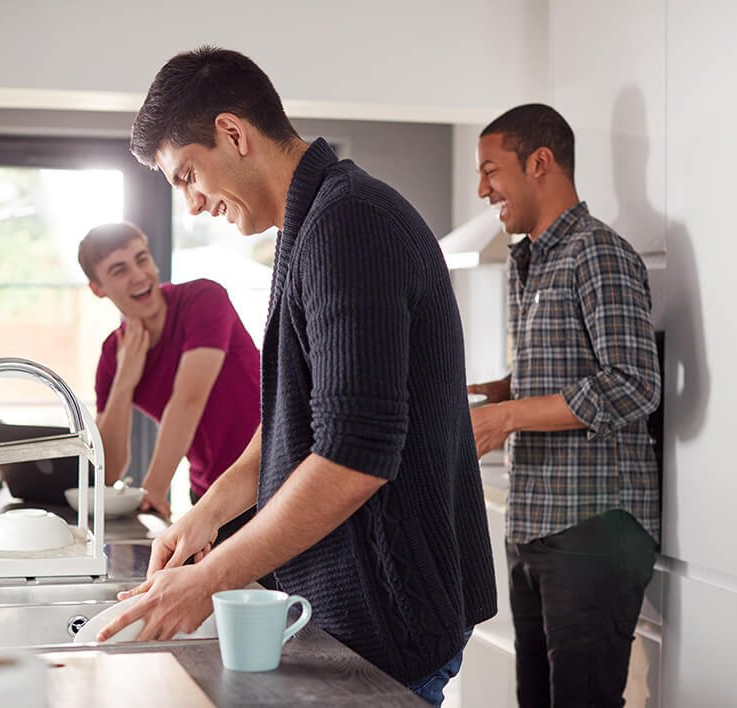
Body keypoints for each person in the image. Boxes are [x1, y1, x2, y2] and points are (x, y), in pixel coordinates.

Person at [95, 46, 497, 705]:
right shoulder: (311, 224)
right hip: (357, 616)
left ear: (233, 132)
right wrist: (208, 515)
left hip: (387, 622)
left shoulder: (350, 225)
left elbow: (353, 459)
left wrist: (209, 581)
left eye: (188, 175)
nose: (193, 205)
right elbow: (299, 419)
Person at [468, 104, 661, 707]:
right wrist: (497, 392)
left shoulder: (597, 252)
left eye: (491, 170)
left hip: (593, 529)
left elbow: (634, 383)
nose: (482, 189)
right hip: (537, 526)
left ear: (540, 162)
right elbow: (570, 368)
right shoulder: (531, 260)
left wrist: (505, 418)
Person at [78, 221, 260, 532]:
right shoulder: (114, 353)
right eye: (119, 270)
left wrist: (155, 489)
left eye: (142, 258)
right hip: (207, 493)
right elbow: (108, 470)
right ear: (98, 289)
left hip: (267, 478)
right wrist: (125, 381)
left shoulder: (203, 299)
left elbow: (188, 401)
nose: (138, 275)